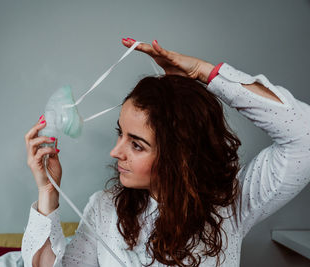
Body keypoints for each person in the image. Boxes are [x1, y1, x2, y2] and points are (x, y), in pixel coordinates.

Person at [21, 38, 310, 267]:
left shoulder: (231, 206)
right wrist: (48, 191)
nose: (114, 152)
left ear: (180, 154)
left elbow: (304, 134)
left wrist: (204, 72)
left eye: (136, 144)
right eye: (120, 133)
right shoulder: (104, 209)